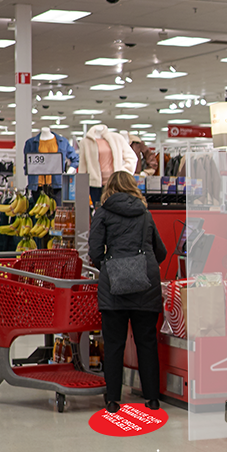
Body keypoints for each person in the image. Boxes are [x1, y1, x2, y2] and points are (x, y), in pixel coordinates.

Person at [89, 170, 167, 412]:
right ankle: (152, 399)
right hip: (146, 283)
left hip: (114, 287)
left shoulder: (102, 213)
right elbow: (160, 251)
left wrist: (112, 265)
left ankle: (113, 400)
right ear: (133, 187)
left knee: (114, 344)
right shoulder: (145, 214)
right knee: (147, 342)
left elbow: (94, 251)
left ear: (109, 188)